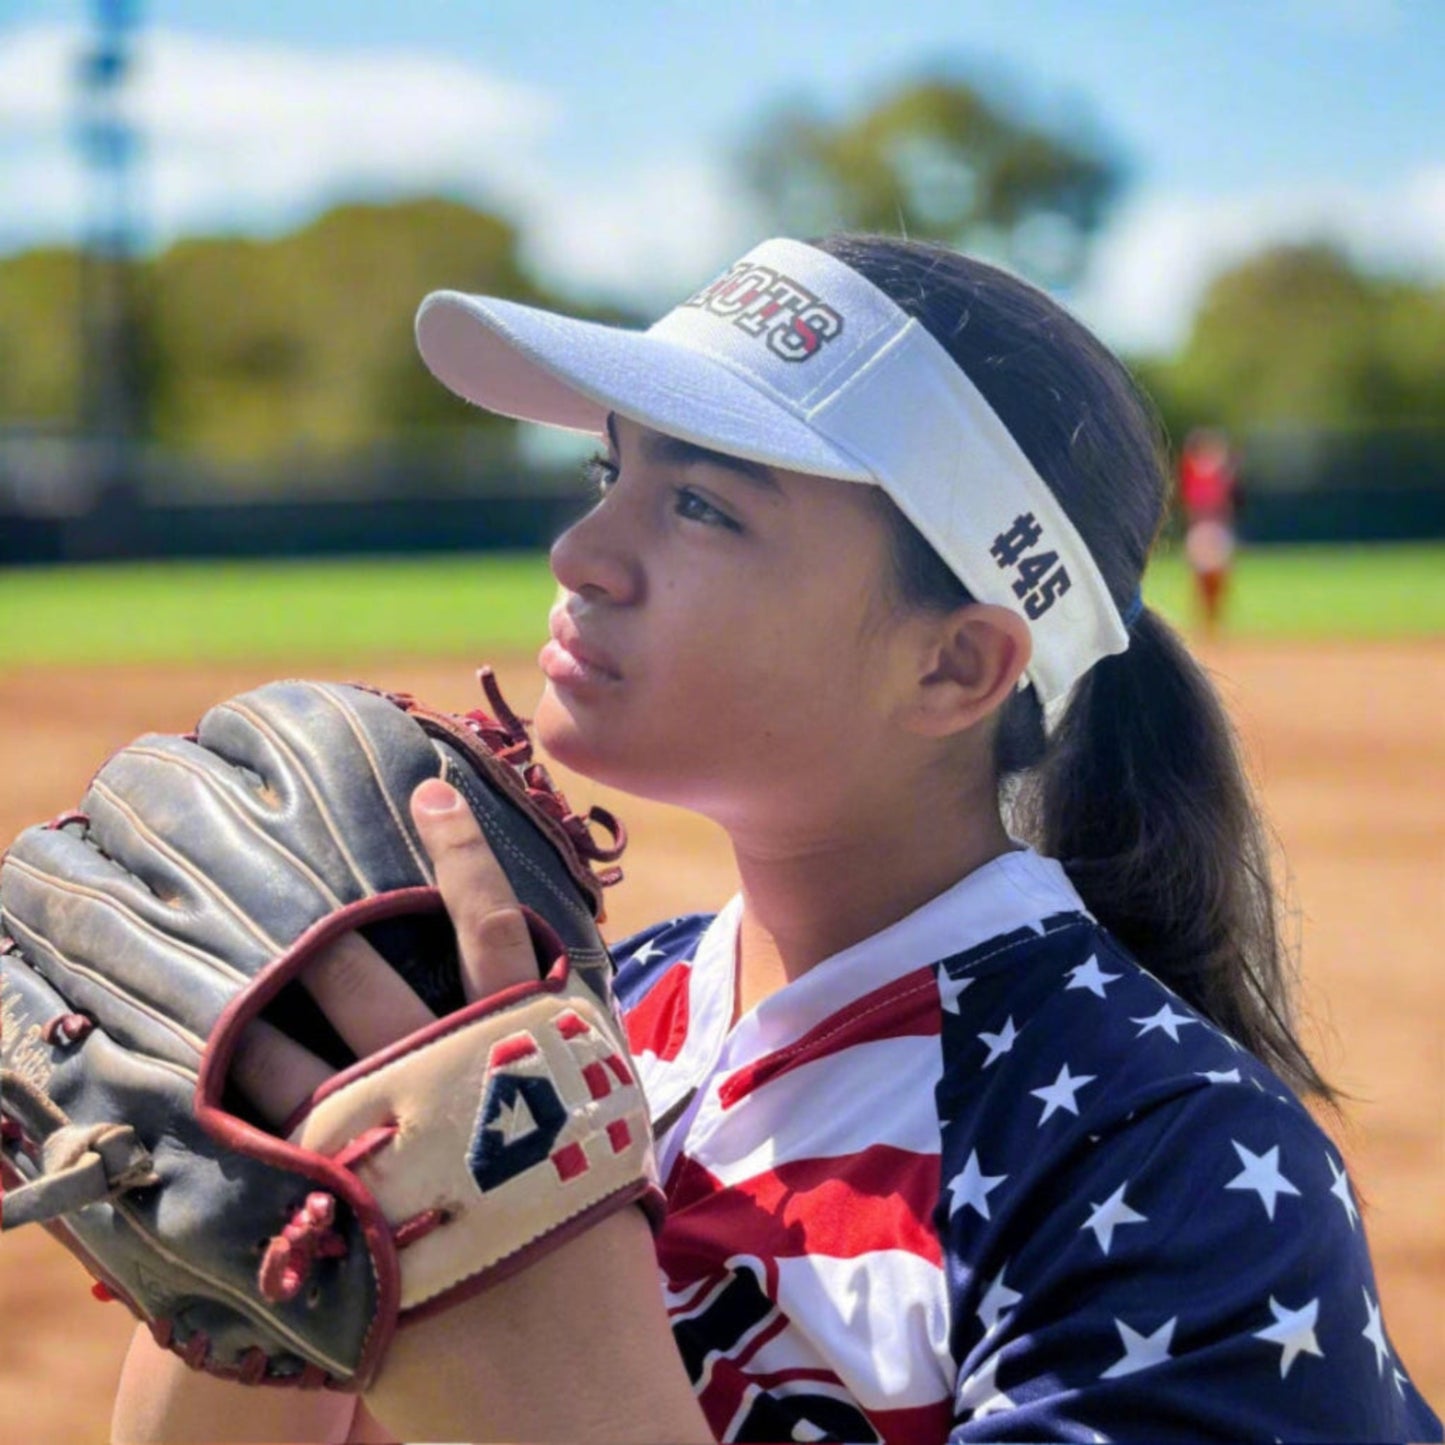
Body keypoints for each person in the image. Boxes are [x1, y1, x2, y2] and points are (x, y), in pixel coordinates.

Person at [110, 236, 1441, 1443]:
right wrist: (252, 1234)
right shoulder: (600, 1011)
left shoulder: (1163, 1165)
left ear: (954, 666)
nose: (582, 549)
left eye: (704, 505)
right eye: (609, 471)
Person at [1177, 427, 1240, 635]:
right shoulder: (1193, 471)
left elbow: (1230, 501)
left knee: (1220, 577)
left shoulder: (1222, 473)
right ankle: (1203, 621)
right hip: (1201, 526)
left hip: (1218, 526)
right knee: (1201, 577)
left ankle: (1215, 620)